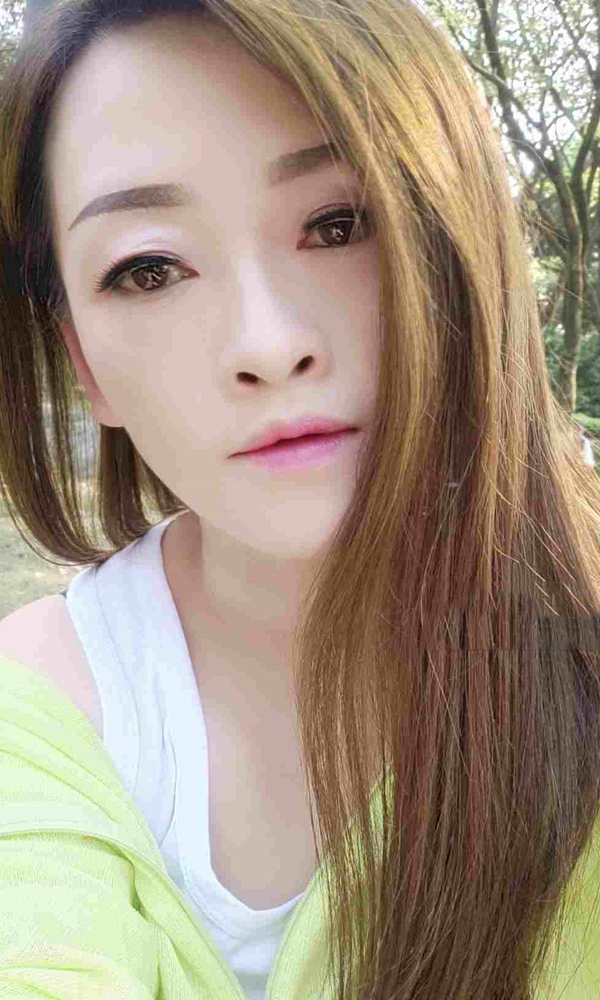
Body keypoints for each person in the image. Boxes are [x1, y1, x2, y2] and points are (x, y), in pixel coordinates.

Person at [0, 0, 600, 997]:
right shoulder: (40, 706)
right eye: (149, 269)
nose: (268, 345)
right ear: (84, 364)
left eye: (338, 224)